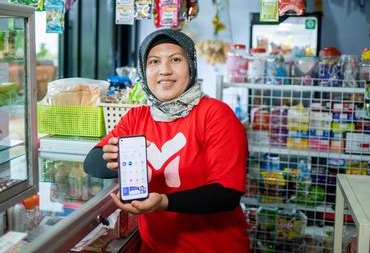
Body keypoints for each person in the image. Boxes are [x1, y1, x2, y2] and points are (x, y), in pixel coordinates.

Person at [84, 29, 249, 252]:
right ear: (144, 70)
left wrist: (163, 201)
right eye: (154, 61)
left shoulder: (215, 115)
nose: (165, 70)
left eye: (176, 60)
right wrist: (117, 158)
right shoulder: (136, 117)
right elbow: (92, 162)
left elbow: (226, 194)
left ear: (191, 66)